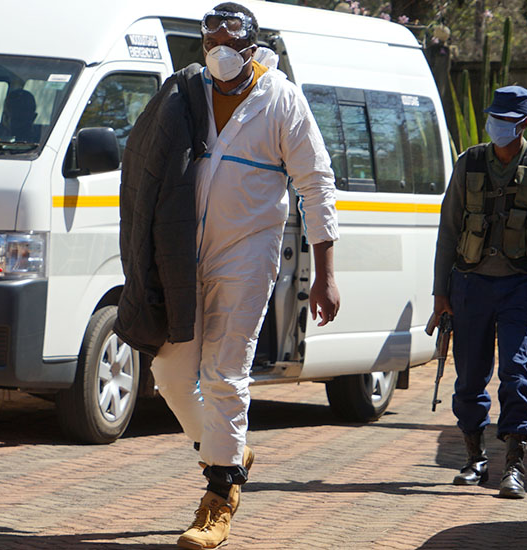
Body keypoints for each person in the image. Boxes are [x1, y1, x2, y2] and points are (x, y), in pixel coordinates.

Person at [115, 3, 339, 548]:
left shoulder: (280, 97)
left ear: (251, 44)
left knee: (224, 373)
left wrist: (325, 273)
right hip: (183, 255)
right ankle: (231, 452)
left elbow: (316, 183)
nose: (218, 46)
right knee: (168, 376)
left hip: (248, 252)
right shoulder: (184, 94)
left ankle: (219, 496)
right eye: (209, 36)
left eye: (229, 36)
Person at [433, 86, 527, 499]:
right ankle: (475, 458)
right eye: (493, 117)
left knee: (515, 372)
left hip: (520, 286)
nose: (496, 126)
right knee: (469, 377)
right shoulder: (470, 161)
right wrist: (440, 293)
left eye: (506, 121)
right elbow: (448, 231)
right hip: (470, 285)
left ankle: (514, 463)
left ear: (523, 124)